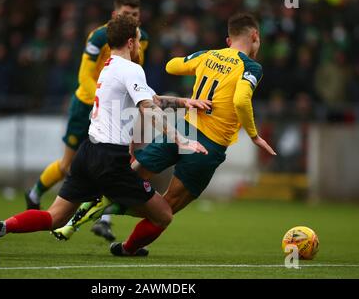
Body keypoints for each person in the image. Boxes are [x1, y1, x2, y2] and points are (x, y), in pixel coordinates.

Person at [0, 15, 210, 257]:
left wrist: (185, 102)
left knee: (54, 216)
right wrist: (181, 139)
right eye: (137, 39)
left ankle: (2, 226)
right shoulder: (131, 69)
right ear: (130, 42)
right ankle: (109, 219)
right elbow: (148, 107)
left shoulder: (108, 68)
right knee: (163, 214)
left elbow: (153, 99)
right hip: (110, 160)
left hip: (87, 152)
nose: (140, 45)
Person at [53, 13, 277, 257]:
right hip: (208, 144)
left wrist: (201, 66)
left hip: (183, 128)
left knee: (129, 177)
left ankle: (87, 211)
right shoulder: (252, 67)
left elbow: (172, 65)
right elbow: (241, 100)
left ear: (228, 39)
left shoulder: (209, 55)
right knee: (166, 208)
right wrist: (254, 135)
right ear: (255, 36)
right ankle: (128, 248)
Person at [25, 0, 150, 242]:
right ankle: (35, 192)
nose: (132, 19)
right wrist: (103, 99)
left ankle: (103, 221)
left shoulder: (141, 38)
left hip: (116, 108)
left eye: (135, 15)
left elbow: (136, 70)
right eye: (127, 14)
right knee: (67, 166)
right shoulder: (98, 36)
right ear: (115, 15)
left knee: (115, 161)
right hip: (87, 104)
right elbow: (84, 75)